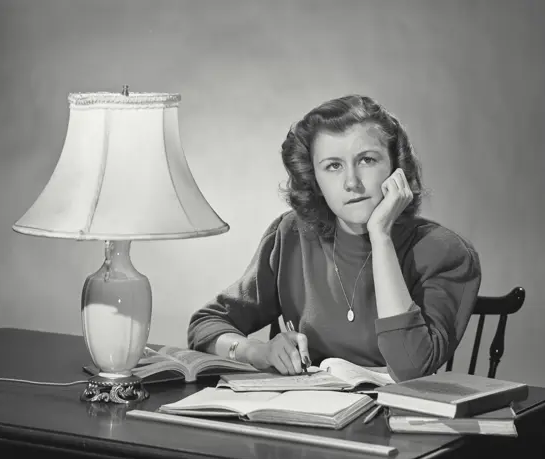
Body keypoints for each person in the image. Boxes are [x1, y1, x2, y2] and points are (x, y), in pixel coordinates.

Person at [187, 94, 481, 382]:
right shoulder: (290, 234)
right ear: (314, 178)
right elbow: (205, 325)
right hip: (306, 421)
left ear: (396, 168)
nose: (352, 183)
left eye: (366, 160)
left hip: (394, 424)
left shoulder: (445, 253)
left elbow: (411, 368)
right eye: (333, 166)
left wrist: (381, 236)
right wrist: (256, 351)